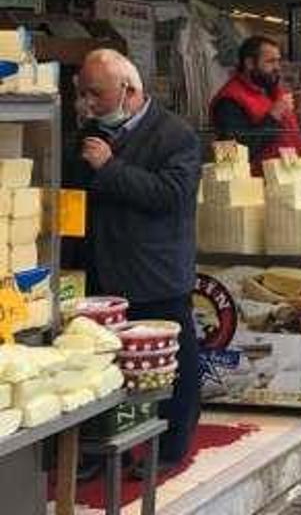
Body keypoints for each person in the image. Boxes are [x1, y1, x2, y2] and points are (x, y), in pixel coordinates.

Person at [67, 49, 202, 473]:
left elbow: (172, 196)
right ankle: (102, 449)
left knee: (167, 366)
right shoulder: (87, 131)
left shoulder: (175, 134)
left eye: (96, 94)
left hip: (154, 273)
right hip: (99, 272)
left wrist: (110, 168)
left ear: (128, 91)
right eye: (82, 94)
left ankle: (171, 447)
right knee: (102, 366)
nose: (88, 104)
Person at [210, 35, 301, 168]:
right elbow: (234, 154)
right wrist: (273, 116)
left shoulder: (274, 91)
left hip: (293, 177)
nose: (277, 67)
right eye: (270, 61)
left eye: (278, 61)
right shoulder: (229, 99)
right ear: (250, 63)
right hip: (257, 184)